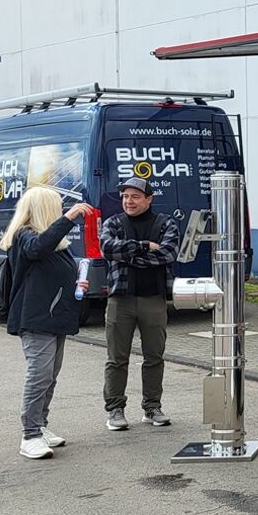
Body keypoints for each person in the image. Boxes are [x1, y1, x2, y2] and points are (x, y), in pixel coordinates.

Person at [0, 186, 96, 459]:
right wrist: (68, 218)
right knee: (39, 376)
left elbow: (50, 269)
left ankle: (40, 425)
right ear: (45, 209)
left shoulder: (53, 243)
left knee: (49, 376)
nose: (60, 211)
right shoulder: (25, 236)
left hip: (55, 317)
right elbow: (37, 249)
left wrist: (77, 282)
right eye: (56, 207)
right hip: (36, 318)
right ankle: (29, 435)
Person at [99, 177, 180, 431]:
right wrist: (145, 247)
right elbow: (107, 248)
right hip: (120, 300)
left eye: (135, 196)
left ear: (149, 199)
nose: (128, 201)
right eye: (125, 197)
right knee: (116, 358)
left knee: (154, 356)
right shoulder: (113, 223)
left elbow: (168, 254)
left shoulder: (166, 223)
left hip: (154, 300)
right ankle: (115, 410)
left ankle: (152, 407)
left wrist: (128, 256)